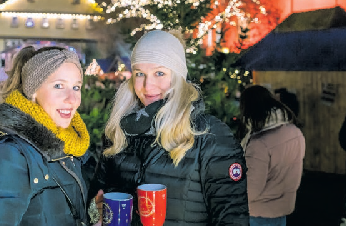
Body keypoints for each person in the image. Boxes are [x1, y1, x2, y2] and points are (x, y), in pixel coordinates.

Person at [89, 30, 249, 225]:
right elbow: (96, 195)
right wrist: (96, 213)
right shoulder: (119, 130)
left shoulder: (210, 135)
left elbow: (232, 219)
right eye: (140, 74)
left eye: (159, 73)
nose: (148, 86)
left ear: (179, 77)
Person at [0, 46, 91, 226]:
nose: (72, 99)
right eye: (58, 85)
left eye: (76, 87)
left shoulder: (69, 146)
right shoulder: (9, 155)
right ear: (33, 91)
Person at [240, 85, 305, 226]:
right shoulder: (294, 132)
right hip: (282, 210)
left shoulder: (259, 144)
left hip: (257, 214)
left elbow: (250, 190)